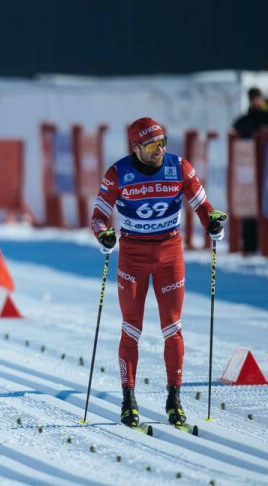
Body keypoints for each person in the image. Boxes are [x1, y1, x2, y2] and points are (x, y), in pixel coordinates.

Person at [90, 117, 226, 428]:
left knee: (172, 328)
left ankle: (174, 400)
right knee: (131, 328)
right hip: (133, 256)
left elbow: (203, 206)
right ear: (136, 148)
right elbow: (98, 216)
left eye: (163, 143)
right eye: (152, 146)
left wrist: (212, 222)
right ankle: (128, 400)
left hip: (169, 254)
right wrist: (104, 235)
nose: (160, 150)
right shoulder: (118, 173)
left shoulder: (179, 168)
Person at [232, 87, 268, 253]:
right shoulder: (246, 120)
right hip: (250, 169)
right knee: (248, 204)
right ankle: (250, 245)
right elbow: (237, 129)